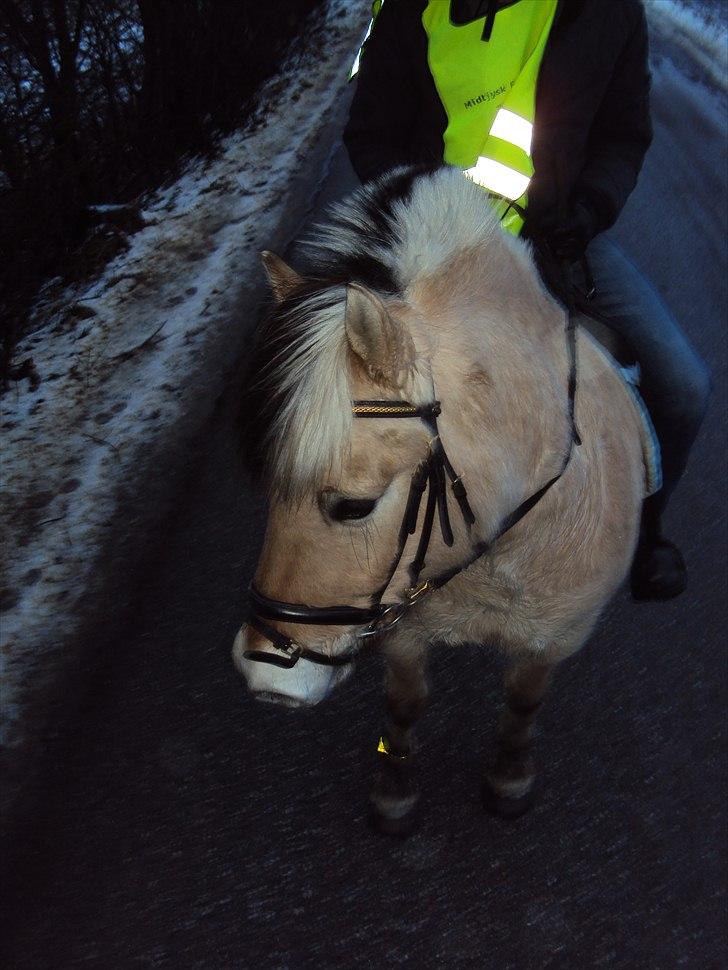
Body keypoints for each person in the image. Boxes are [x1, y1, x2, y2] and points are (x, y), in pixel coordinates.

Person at [343, 0, 710, 600]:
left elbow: (623, 134)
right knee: (367, 385)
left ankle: (640, 526)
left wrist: (590, 208)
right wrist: (423, 211)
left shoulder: (608, 12)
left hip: (556, 239)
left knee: (683, 385)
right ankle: (366, 550)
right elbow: (370, 134)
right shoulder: (414, 9)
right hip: (434, 241)